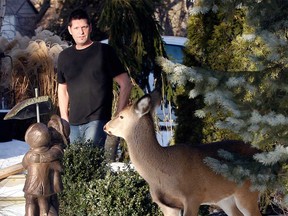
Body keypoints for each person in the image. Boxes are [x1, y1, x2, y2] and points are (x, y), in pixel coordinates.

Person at [57, 8, 132, 148]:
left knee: (91, 162)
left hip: (97, 120)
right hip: (73, 123)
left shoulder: (104, 51)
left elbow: (126, 83)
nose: (81, 32)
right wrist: (64, 117)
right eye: (77, 28)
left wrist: (117, 115)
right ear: (70, 30)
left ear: (90, 28)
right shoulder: (64, 57)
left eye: (84, 27)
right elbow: (62, 88)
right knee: (78, 165)